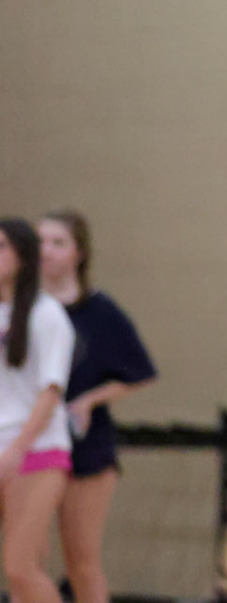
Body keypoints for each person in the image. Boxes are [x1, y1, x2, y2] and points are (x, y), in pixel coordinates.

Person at [38, 211, 158, 603]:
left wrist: (90, 400)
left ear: (78, 253)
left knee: (81, 562)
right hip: (32, 444)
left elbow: (140, 372)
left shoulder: (99, 311)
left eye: (58, 243)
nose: (47, 252)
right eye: (40, 242)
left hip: (83, 448)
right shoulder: (25, 311)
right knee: (25, 562)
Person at [0, 217, 76, 603]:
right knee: (20, 579)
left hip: (38, 452)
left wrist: (16, 450)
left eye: (1, 248)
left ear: (24, 258)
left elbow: (50, 393)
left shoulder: (47, 316)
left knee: (20, 567)